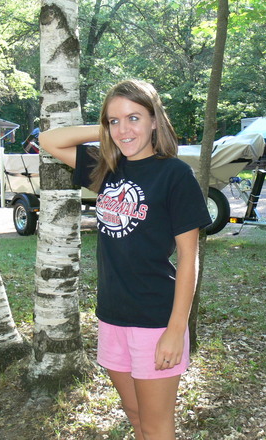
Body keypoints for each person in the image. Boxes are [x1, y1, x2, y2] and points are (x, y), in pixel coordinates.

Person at [39, 79, 211, 439]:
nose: (124, 129)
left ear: (154, 121)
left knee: (156, 424)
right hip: (112, 315)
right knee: (134, 414)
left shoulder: (175, 174)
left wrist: (176, 330)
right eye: (114, 121)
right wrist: (106, 129)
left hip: (156, 319)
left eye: (134, 118)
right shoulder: (107, 167)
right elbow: (50, 140)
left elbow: (188, 257)